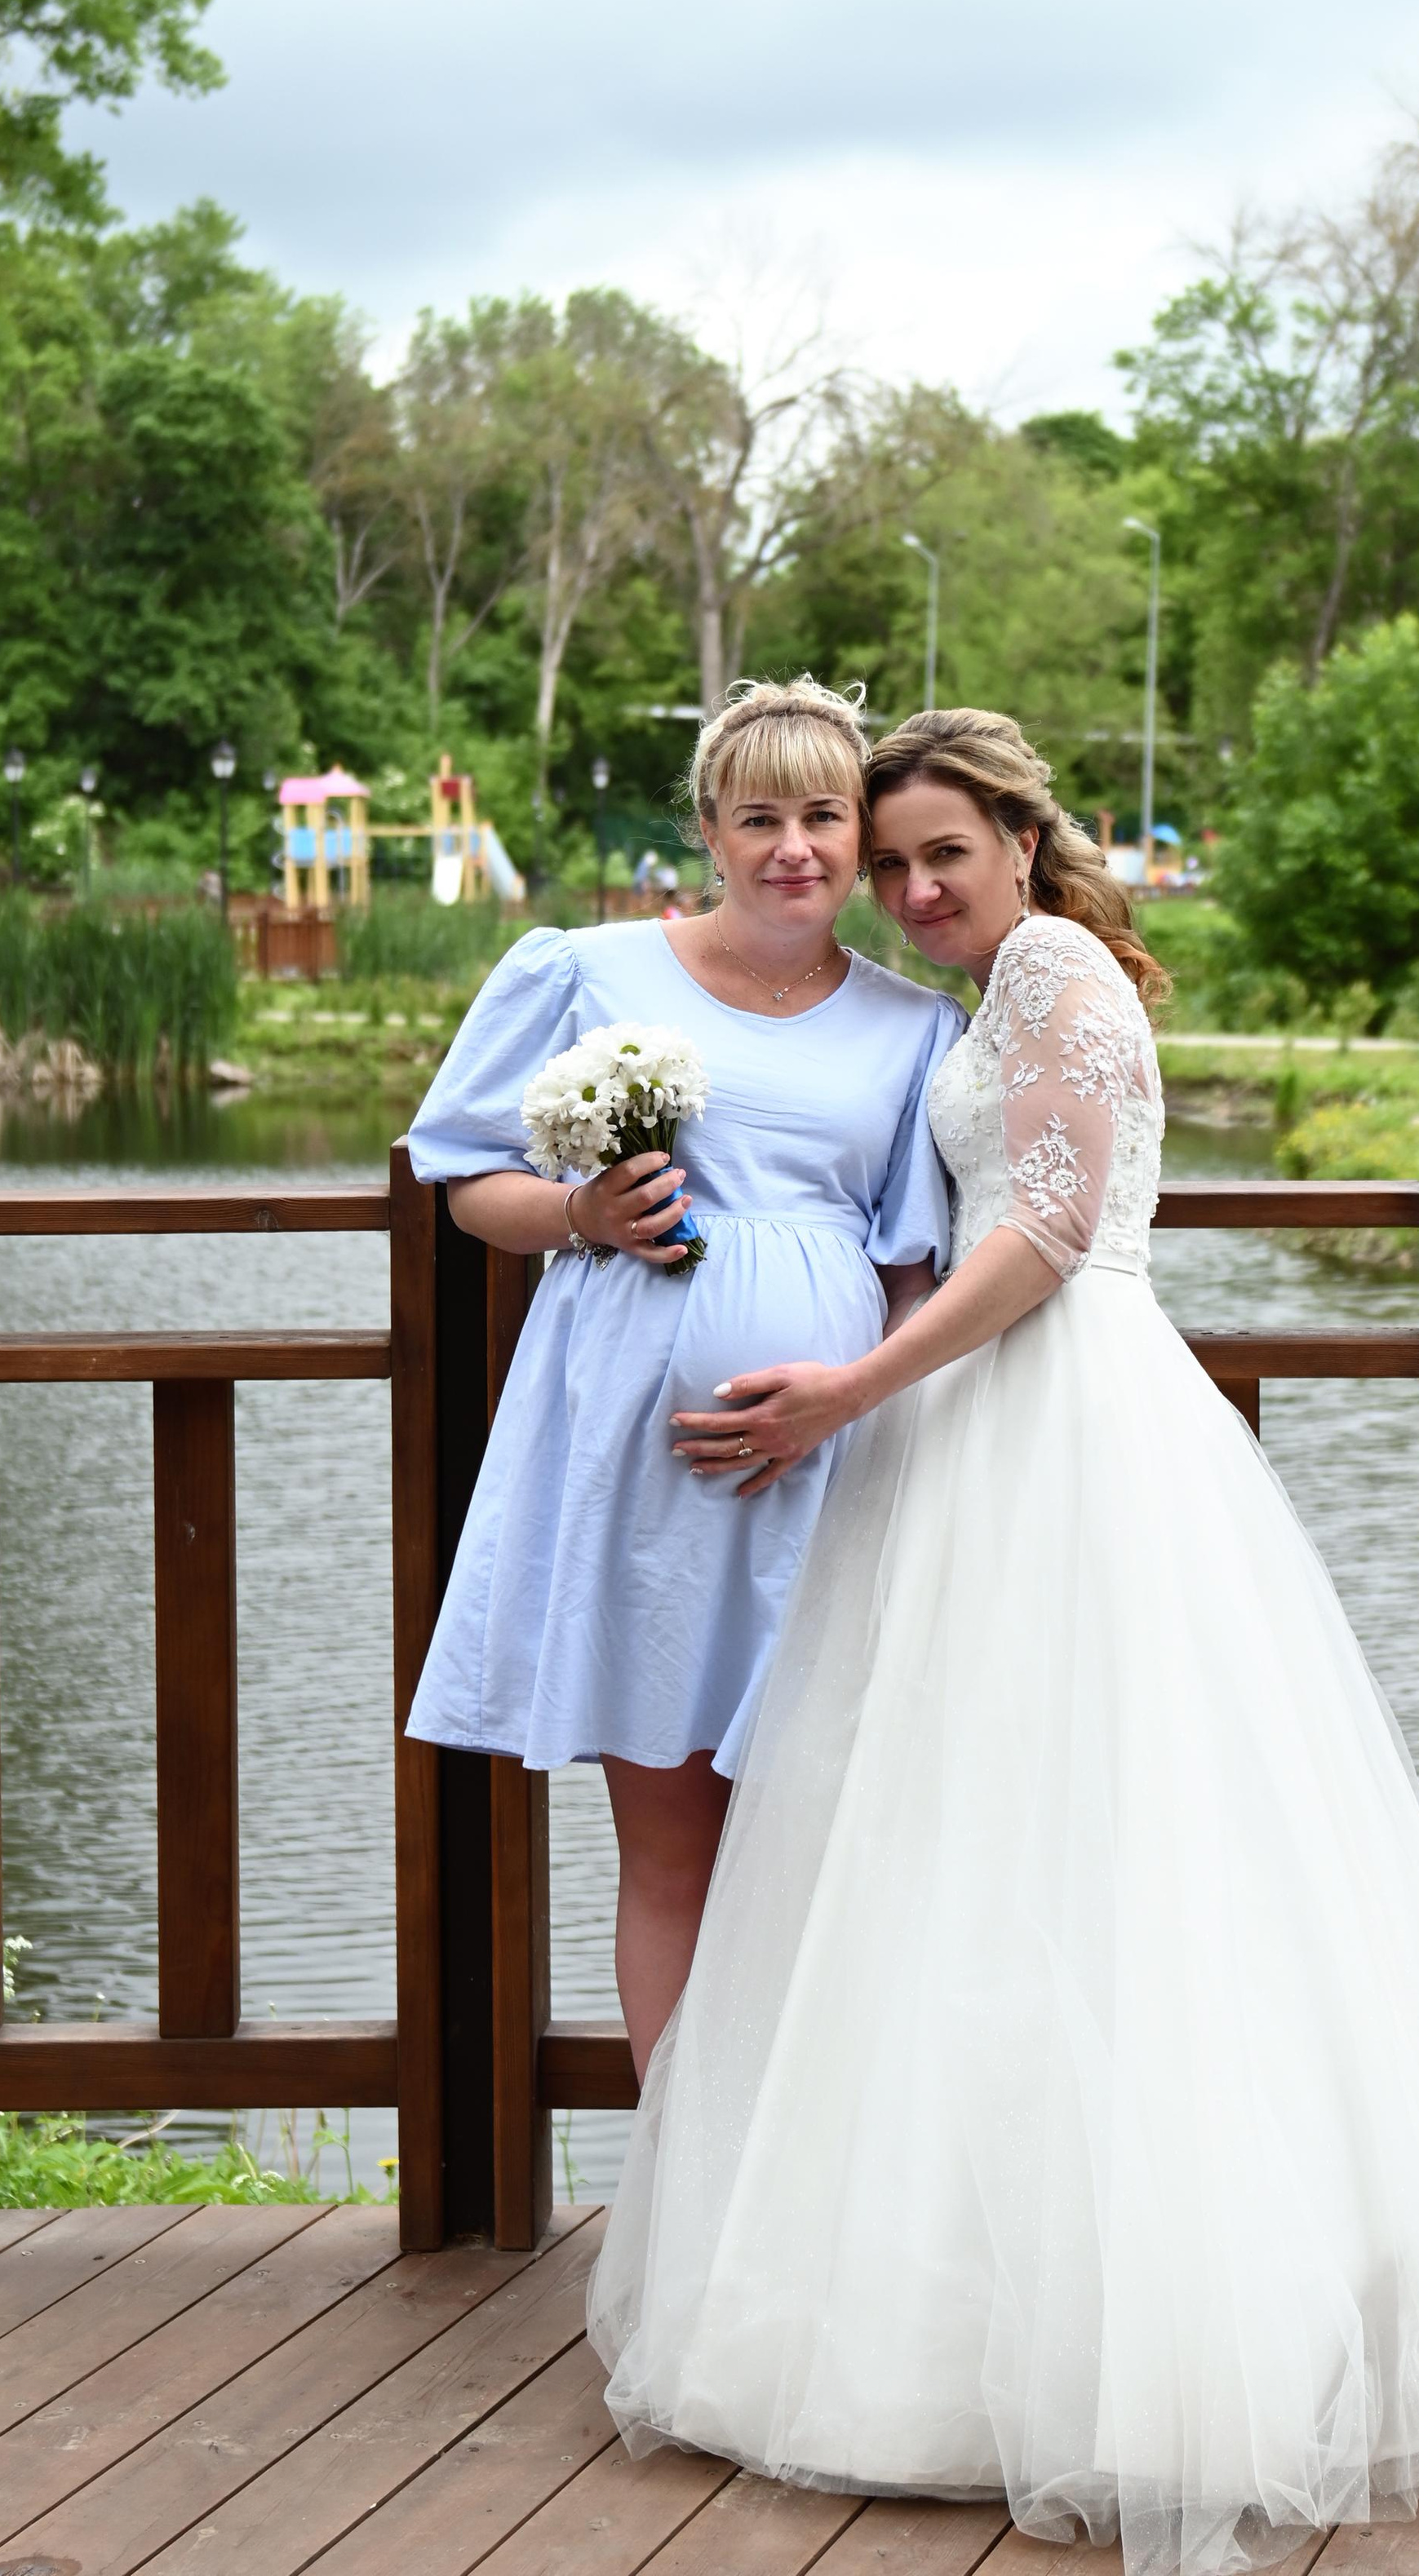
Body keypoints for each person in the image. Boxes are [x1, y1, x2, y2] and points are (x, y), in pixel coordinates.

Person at [590, 706, 1419, 2574]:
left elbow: (1045, 1233)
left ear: (1019, 843)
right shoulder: (987, 995)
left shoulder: (1050, 969)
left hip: (1069, 1426)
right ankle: (960, 2304)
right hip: (973, 1434)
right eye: (894, 859)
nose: (912, 886)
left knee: (1118, 1856)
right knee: (965, 1855)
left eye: (942, 851)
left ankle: (1164, 2330)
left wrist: (848, 1389)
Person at [402, 677, 962, 2074]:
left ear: (861, 835)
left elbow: (911, 1262)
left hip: (822, 1465)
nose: (794, 848)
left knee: (822, 1849)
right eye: (758, 818)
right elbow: (465, 1178)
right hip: (642, 1465)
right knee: (670, 1854)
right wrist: (580, 1213)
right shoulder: (586, 973)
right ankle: (683, 2176)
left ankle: (809, 2170)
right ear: (707, 830)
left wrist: (850, 1402)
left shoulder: (914, 1026)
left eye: (823, 816)